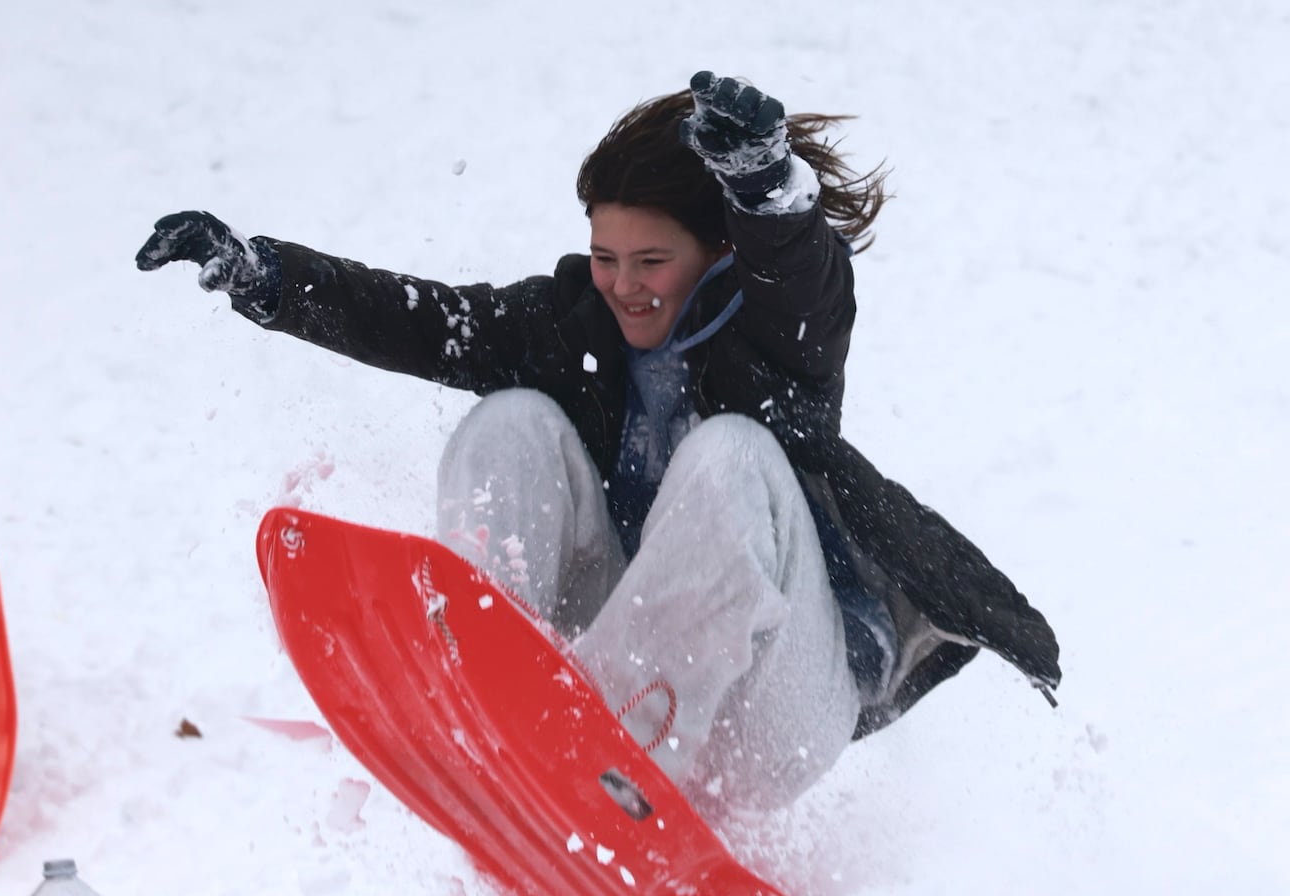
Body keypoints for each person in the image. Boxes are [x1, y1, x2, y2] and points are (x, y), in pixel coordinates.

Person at [135, 71, 1061, 816]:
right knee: (512, 424)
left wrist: (769, 196)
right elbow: (425, 321)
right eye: (607, 257)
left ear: (717, 254)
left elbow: (805, 283)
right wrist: (264, 275)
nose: (624, 286)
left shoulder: (779, 341)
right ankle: (488, 699)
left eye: (653, 261)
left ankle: (606, 770)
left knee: (733, 456)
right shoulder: (571, 324)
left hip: (781, 706)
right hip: (609, 676)